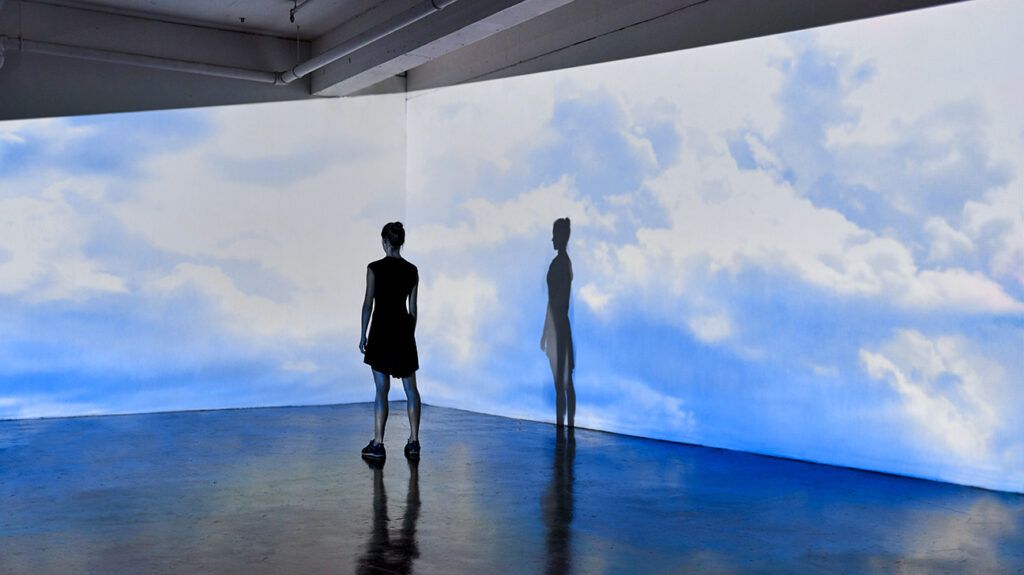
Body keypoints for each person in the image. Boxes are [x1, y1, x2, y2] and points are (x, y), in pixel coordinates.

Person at [360, 222, 421, 460]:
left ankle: (378, 443)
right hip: (403, 332)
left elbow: (368, 304)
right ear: (401, 242)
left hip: (381, 332)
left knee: (381, 390)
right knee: (411, 389)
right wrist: (409, 335)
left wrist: (363, 333)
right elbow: (413, 309)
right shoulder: (412, 270)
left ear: (385, 241)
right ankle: (414, 442)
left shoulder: (374, 268)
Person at [541, 217, 575, 428]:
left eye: (555, 234)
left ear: (562, 237)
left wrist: (550, 331)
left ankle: (565, 424)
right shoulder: (558, 263)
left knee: (563, 382)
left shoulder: (563, 264)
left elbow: (558, 302)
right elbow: (551, 301)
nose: (552, 238)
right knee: (559, 382)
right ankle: (562, 424)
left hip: (559, 328)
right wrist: (546, 332)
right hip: (556, 328)